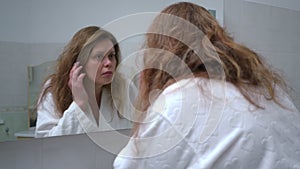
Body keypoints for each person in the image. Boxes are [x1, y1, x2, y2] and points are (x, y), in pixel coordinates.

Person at [114, 2, 300, 168]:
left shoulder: (179, 99)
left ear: (162, 50)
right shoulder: (268, 88)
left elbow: (127, 164)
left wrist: (147, 101)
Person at [35, 26, 136, 137]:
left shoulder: (124, 86)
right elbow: (46, 144)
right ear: (80, 61)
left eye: (111, 55)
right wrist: (79, 105)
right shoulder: (53, 89)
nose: (108, 63)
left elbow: (141, 131)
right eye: (99, 56)